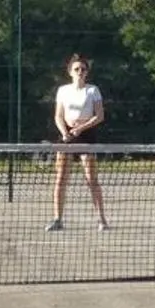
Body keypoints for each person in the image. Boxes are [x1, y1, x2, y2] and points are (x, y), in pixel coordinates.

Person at [48, 53, 110, 232]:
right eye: (76, 69)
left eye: (83, 69)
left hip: (86, 135)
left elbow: (99, 116)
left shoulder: (93, 90)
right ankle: (58, 219)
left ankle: (101, 220)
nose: (80, 72)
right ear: (70, 72)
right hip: (66, 136)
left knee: (91, 179)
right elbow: (58, 116)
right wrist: (65, 132)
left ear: (87, 72)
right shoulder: (63, 90)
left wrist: (81, 128)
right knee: (61, 178)